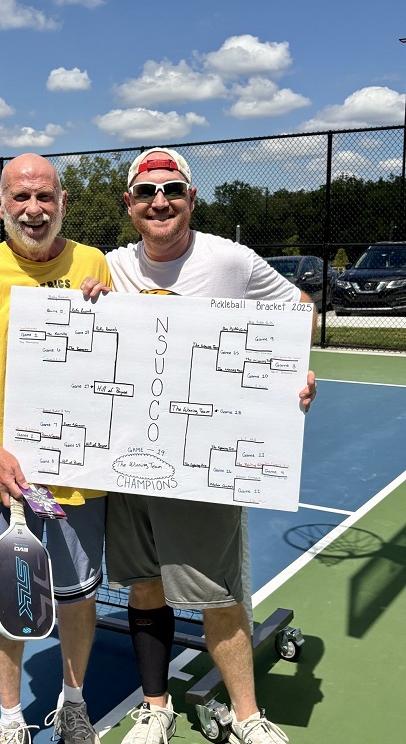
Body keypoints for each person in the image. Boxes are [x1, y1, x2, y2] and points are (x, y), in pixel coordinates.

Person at [81, 147, 318, 744]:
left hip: (204, 463)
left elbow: (299, 308)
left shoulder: (230, 260)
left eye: (172, 190)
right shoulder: (108, 267)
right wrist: (80, 297)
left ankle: (247, 716)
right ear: (129, 204)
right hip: (131, 462)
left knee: (217, 593)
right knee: (145, 586)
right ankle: (155, 708)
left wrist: (295, 368)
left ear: (191, 198)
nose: (159, 201)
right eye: (146, 192)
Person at [0, 153, 111, 744]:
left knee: (78, 600)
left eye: (45, 197)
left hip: (78, 478)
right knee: (8, 605)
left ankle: (75, 701)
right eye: (21, 197)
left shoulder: (94, 262)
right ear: (0, 204)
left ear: (63, 202)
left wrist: (112, 309)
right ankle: (11, 717)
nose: (34, 209)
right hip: (0, 482)